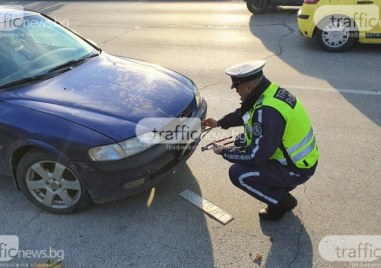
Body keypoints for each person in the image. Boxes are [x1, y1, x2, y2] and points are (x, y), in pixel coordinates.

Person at [203, 60, 319, 221]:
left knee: (238, 174)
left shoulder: (268, 111)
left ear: (248, 87)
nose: (236, 92)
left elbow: (255, 156)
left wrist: (224, 151)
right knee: (241, 140)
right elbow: (245, 114)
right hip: (298, 159)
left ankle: (282, 202)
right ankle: (279, 186)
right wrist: (220, 122)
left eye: (237, 88)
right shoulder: (269, 92)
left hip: (296, 168)